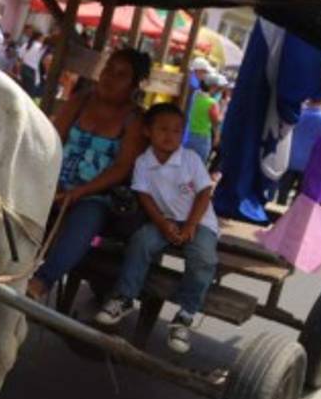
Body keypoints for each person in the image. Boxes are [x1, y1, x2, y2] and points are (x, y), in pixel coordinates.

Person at [92, 102, 219, 353]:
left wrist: (191, 224)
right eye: (163, 129)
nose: (170, 136)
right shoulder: (143, 162)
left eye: (176, 130)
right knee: (141, 242)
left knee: (204, 258)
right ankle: (125, 297)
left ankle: (185, 315)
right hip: (164, 219)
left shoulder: (191, 159)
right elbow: (144, 196)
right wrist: (162, 223)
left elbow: (205, 193)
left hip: (199, 220)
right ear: (148, 132)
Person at [27, 48, 151, 302]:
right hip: (54, 183)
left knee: (88, 217)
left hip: (96, 194)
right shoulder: (79, 101)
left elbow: (121, 168)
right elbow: (52, 141)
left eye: (121, 75)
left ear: (134, 84)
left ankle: (41, 282)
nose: (109, 78)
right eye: (107, 70)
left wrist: (79, 192)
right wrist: (48, 184)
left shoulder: (134, 119)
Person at [275, 98, 321, 205]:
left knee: (283, 190)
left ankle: (277, 211)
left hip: (290, 159)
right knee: (300, 194)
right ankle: (294, 216)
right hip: (309, 163)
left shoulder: (299, 115)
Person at [185, 73, 223, 164]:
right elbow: (216, 121)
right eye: (217, 87)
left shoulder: (195, 96)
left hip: (190, 135)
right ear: (212, 86)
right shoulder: (212, 102)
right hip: (203, 138)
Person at [17, 30, 45, 96]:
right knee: (29, 93)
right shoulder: (40, 47)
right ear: (40, 38)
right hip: (32, 70)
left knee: (23, 89)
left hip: (24, 68)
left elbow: (20, 57)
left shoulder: (26, 44)